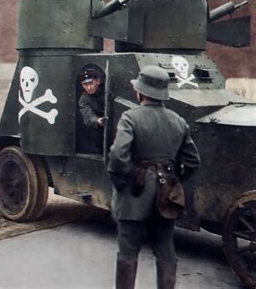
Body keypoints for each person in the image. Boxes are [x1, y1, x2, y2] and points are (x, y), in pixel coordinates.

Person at [107, 65, 201, 289]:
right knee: (166, 251)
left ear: (140, 92)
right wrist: (173, 181)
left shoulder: (130, 117)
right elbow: (193, 162)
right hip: (165, 196)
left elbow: (118, 156)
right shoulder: (178, 121)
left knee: (128, 252)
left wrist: (122, 182)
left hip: (133, 195)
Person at [77, 64, 106, 153]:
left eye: (91, 83)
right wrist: (98, 121)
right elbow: (88, 116)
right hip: (101, 132)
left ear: (97, 81)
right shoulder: (84, 99)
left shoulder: (107, 89)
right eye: (85, 84)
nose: (89, 87)